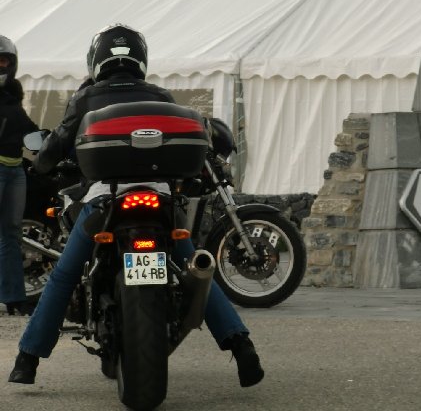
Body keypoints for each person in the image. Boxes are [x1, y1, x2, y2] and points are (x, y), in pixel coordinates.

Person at [8, 24, 265, 387]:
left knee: (65, 275)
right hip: (160, 199)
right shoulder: (160, 96)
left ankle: (28, 360)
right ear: (141, 59)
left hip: (104, 199)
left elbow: (55, 147)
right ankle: (242, 348)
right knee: (196, 270)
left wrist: (43, 163)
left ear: (96, 61)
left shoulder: (85, 98)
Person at [0, 36, 39, 316]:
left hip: (15, 169)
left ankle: (14, 297)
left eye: (3, 60)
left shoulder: (13, 95)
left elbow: (28, 129)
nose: (0, 66)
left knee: (11, 235)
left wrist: (47, 140)